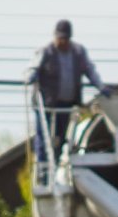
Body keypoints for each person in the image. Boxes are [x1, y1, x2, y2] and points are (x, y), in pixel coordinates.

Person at [28, 18, 103, 159]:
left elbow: (90, 71)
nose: (62, 42)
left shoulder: (78, 52)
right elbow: (33, 68)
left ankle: (56, 163)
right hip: (47, 106)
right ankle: (43, 169)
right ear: (55, 36)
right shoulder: (45, 52)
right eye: (60, 38)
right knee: (44, 138)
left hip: (66, 105)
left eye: (65, 39)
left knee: (61, 138)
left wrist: (101, 87)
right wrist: (32, 76)